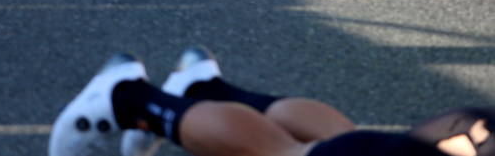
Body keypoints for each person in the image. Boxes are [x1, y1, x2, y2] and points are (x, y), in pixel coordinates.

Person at [49, 47, 495, 156]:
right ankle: (129, 100)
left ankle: (206, 92)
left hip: (472, 132)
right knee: (289, 154)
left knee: (345, 142)